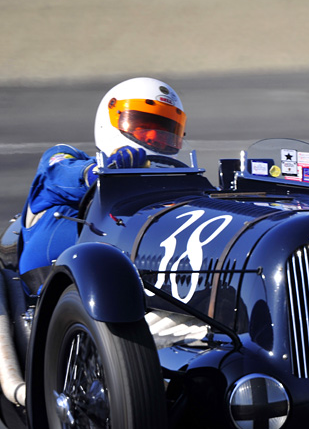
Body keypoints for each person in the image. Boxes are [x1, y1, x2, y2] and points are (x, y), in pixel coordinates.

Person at [18, 77, 187, 288]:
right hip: (51, 285)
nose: (153, 137)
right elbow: (61, 173)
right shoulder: (64, 157)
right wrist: (98, 173)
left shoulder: (175, 185)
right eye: (143, 126)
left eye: (165, 131)